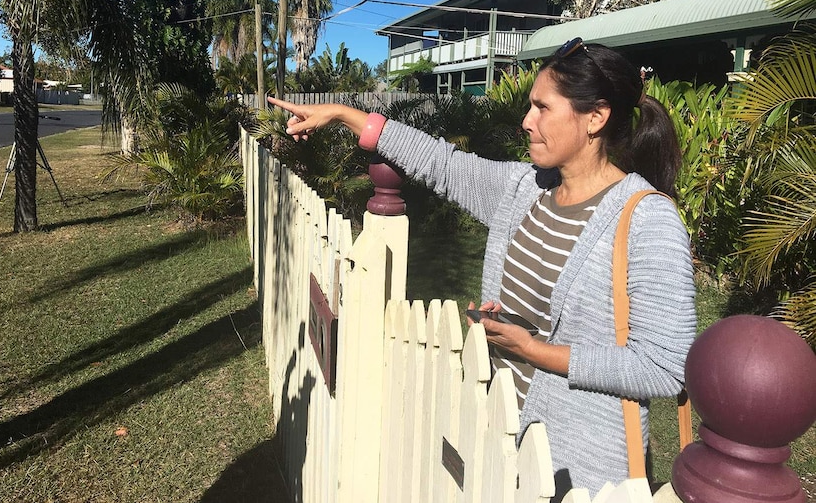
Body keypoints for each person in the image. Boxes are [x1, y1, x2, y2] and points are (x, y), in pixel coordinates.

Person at [267, 38, 696, 497]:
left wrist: (532, 349)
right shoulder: (525, 189)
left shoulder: (648, 219)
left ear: (596, 117)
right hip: (501, 443)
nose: (526, 121)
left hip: (582, 471)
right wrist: (342, 114)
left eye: (542, 108)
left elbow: (664, 366)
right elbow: (442, 164)